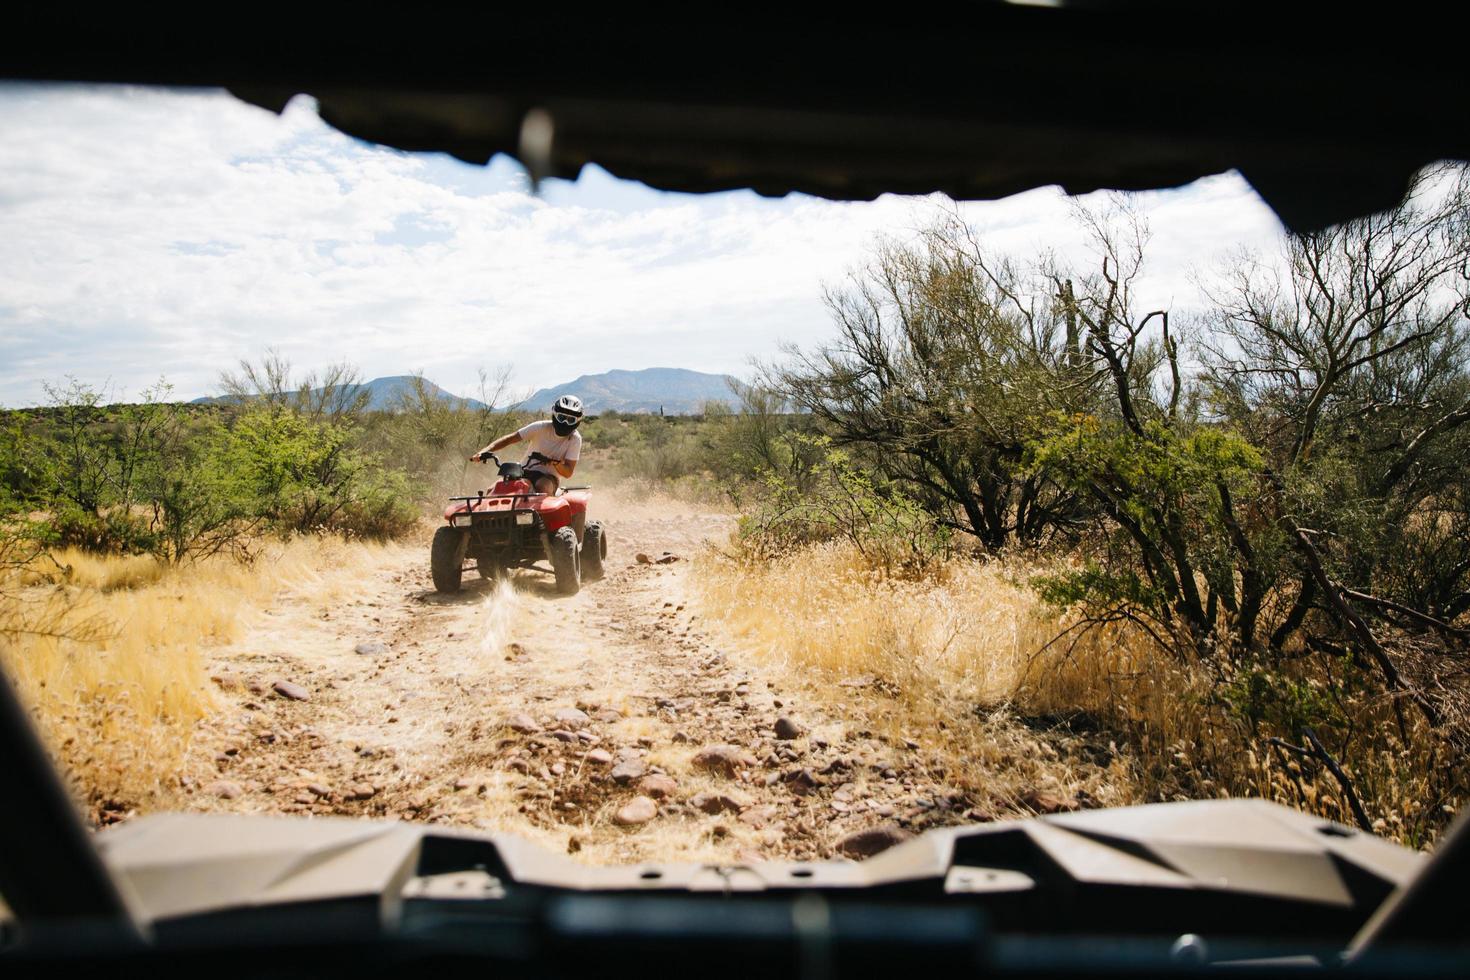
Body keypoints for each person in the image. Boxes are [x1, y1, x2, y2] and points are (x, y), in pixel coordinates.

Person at [471, 394, 583, 495]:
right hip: (522, 472)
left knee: (543, 487)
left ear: (577, 421)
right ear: (554, 414)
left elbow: (568, 472)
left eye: (570, 420)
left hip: (549, 477)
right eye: (562, 417)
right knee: (492, 490)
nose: (565, 423)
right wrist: (484, 451)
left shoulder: (575, 439)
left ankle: (542, 518)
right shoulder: (540, 427)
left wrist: (555, 463)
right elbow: (509, 439)